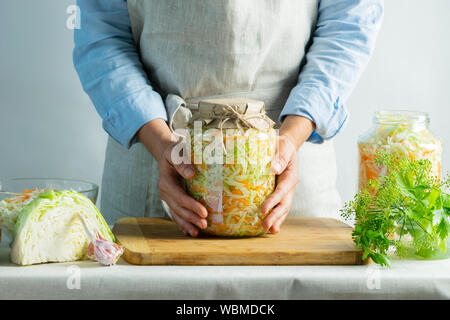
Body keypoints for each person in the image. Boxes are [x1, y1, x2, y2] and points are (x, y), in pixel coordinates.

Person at [74, 0, 383, 236]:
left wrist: (292, 135)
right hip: (152, 161)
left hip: (288, 163)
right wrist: (160, 142)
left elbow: (350, 21)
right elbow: (101, 33)